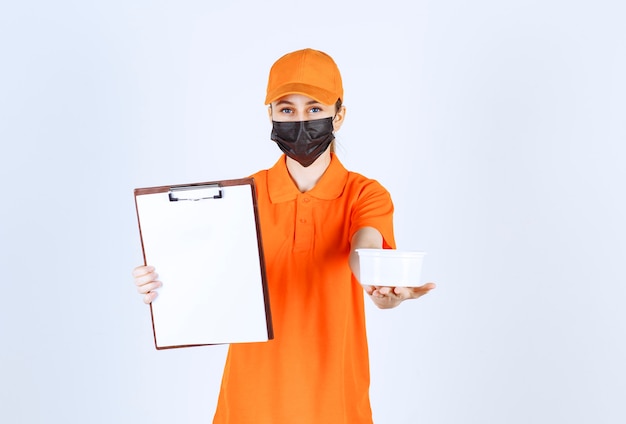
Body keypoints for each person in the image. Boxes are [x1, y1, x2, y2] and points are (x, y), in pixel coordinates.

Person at [133, 48, 436, 423]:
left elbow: (366, 246)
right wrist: (163, 284)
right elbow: (208, 277)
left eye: (314, 108)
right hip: (251, 398)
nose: (301, 119)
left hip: (333, 399)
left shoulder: (364, 193)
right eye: (287, 109)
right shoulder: (243, 195)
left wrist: (380, 284)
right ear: (271, 116)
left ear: (338, 115)